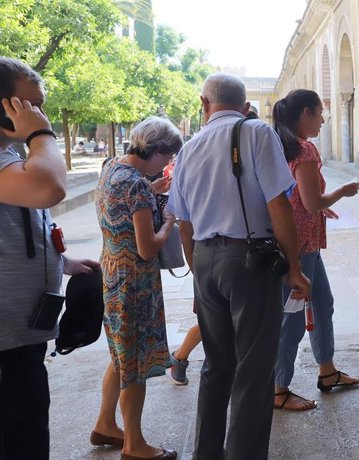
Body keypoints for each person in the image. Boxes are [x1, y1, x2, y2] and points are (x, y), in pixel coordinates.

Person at [167, 73, 310, 460]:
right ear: (244, 104)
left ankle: (207, 453)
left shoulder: (188, 148)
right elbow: (278, 205)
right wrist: (294, 266)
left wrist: (199, 271)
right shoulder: (256, 133)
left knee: (217, 364)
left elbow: (183, 221)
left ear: (204, 103)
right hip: (249, 261)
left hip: (205, 258)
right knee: (253, 368)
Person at [0, 56, 99, 460]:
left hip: (21, 336)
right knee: (18, 440)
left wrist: (64, 263)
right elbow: (48, 187)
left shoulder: (10, 156)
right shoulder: (28, 152)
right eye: (30, 105)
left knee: (28, 429)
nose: (39, 113)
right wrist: (41, 134)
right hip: (5, 343)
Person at [91, 116, 183, 460]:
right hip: (135, 284)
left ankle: (105, 424)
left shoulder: (113, 168)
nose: (169, 163)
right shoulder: (138, 186)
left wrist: (151, 191)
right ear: (156, 150)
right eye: (169, 155)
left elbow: (125, 206)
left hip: (112, 275)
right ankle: (135, 444)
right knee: (134, 363)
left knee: (119, 356)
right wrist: (170, 221)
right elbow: (148, 247)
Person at [271, 89, 359, 411]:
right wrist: (341, 192)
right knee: (294, 319)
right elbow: (311, 203)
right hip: (300, 246)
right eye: (320, 113)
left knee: (322, 304)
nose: (323, 119)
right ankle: (278, 388)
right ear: (305, 113)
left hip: (299, 242)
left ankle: (327, 371)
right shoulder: (304, 150)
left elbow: (295, 199)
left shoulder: (280, 146)